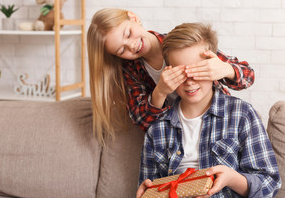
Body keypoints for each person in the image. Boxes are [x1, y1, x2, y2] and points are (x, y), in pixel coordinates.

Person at [135, 23, 281, 198]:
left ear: (214, 67)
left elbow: (269, 186)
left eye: (198, 71)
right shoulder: (158, 129)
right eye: (180, 73)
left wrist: (232, 179)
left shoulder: (241, 115)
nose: (190, 81)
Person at [87, 8, 255, 145]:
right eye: (121, 50)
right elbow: (144, 122)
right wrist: (160, 92)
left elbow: (248, 76)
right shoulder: (131, 70)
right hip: (178, 138)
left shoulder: (180, 44)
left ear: (133, 18)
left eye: (128, 33)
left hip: (217, 123)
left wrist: (225, 69)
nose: (131, 45)